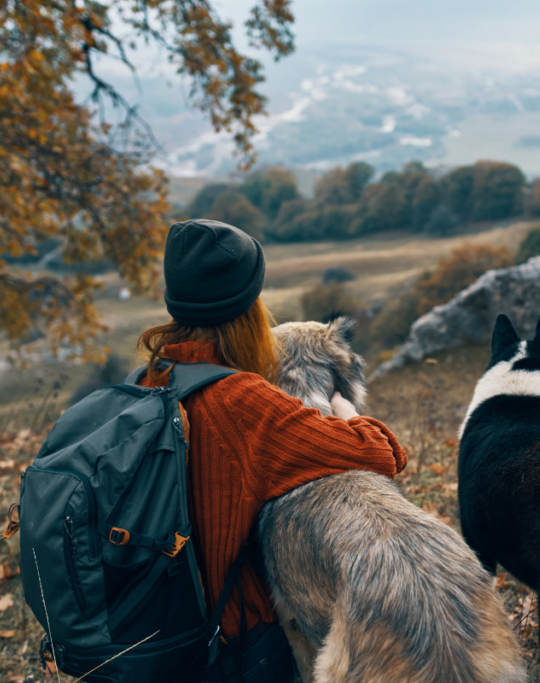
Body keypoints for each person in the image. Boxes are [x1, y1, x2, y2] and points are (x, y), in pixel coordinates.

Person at [136, 219, 408, 682]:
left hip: (153, 625)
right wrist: (344, 411)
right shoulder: (245, 402)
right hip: (232, 638)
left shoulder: (149, 381)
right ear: (246, 306)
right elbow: (382, 455)